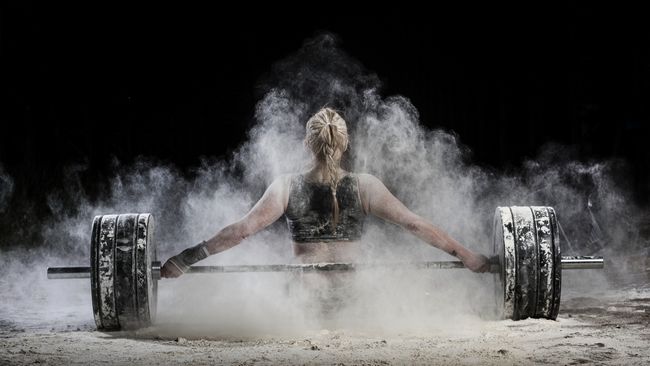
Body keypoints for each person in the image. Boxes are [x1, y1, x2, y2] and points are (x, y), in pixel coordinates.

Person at [161, 107, 490, 278]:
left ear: (307, 144)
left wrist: (186, 258)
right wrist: (466, 254)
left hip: (307, 302)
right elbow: (413, 224)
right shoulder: (365, 185)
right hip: (353, 301)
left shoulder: (286, 186)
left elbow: (243, 232)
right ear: (345, 143)